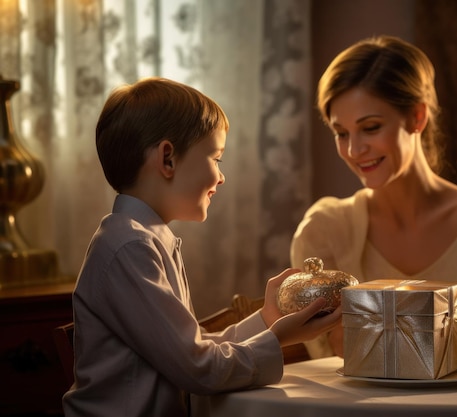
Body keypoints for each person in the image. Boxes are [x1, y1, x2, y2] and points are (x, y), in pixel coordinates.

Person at [62, 77, 341, 417]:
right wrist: (278, 338)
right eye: (216, 158)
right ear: (168, 159)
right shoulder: (128, 247)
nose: (221, 177)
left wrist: (269, 318)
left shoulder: (145, 239)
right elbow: (199, 368)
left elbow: (193, 349)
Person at [290, 35, 457, 358]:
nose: (353, 150)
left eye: (371, 127)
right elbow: (333, 359)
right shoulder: (327, 232)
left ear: (417, 117)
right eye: (341, 133)